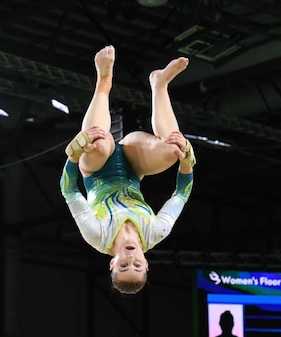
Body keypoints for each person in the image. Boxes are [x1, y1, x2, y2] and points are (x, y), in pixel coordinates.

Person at [60, 45, 196, 294]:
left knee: (97, 144)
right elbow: (181, 195)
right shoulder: (156, 232)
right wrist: (187, 164)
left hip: (96, 169)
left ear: (112, 264)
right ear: (146, 264)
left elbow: (70, 191)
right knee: (173, 150)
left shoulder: (96, 235)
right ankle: (159, 85)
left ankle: (103, 81)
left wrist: (73, 156)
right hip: (134, 167)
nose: (131, 259)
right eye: (137, 265)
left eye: (123, 265)